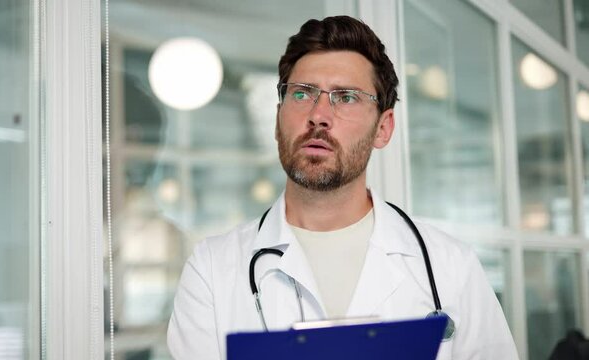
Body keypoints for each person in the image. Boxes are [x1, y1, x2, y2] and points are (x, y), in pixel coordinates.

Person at [167, 15, 518, 360]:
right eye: (302, 94)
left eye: (346, 97)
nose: (319, 114)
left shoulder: (451, 267)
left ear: (383, 128)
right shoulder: (212, 269)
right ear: (278, 120)